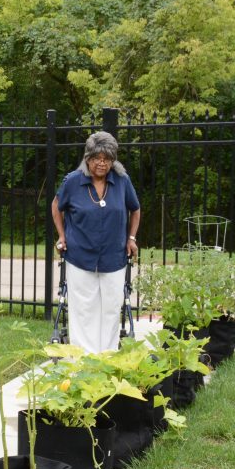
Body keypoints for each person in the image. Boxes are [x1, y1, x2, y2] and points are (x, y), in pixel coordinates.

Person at [51, 131, 141, 354]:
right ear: (87, 158)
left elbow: (135, 209)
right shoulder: (73, 181)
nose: (102, 163)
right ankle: (83, 360)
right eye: (97, 158)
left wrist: (131, 238)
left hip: (114, 257)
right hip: (80, 256)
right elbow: (56, 206)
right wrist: (62, 236)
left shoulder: (122, 181)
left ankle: (107, 358)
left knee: (110, 308)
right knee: (83, 309)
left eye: (107, 159)